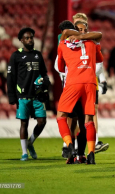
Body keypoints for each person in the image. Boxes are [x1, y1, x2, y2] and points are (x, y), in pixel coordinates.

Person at [56, 22, 103, 164]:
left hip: (73, 84)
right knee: (88, 121)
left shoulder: (63, 44)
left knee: (62, 117)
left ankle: (69, 145)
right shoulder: (92, 43)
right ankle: (91, 154)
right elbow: (100, 58)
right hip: (90, 83)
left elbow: (60, 68)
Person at [7, 27, 50, 161]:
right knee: (24, 124)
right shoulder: (16, 56)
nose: (30, 40)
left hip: (37, 96)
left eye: (31, 37)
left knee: (42, 122)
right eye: (27, 38)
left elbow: (44, 74)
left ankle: (30, 142)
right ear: (21, 40)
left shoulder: (38, 55)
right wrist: (12, 96)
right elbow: (11, 77)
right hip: (23, 97)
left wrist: (45, 83)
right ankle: (24, 153)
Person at [73, 18, 109, 154]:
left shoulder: (91, 44)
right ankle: (71, 145)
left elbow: (99, 62)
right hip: (74, 84)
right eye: (79, 29)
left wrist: (102, 79)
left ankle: (94, 143)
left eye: (84, 30)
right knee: (75, 116)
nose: (82, 32)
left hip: (90, 83)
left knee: (91, 114)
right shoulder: (68, 44)